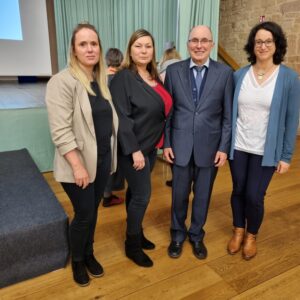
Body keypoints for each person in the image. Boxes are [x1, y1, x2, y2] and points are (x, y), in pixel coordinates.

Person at [46, 23, 118, 286]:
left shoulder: (100, 81)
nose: (90, 49)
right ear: (74, 50)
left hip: (100, 161)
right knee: (84, 213)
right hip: (77, 165)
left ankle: (88, 252)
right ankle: (77, 260)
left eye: (94, 44)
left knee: (93, 210)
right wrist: (78, 166)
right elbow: (61, 131)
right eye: (83, 44)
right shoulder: (61, 81)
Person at [227, 21, 300, 260]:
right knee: (238, 190)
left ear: (277, 44)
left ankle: (251, 235)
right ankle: (238, 230)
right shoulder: (239, 75)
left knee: (254, 196)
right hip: (238, 145)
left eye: (268, 41)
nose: (263, 45)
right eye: (258, 41)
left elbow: (291, 120)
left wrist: (286, 156)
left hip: (265, 150)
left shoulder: (289, 78)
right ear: (252, 45)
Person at [163, 25, 233, 260]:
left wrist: (224, 147)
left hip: (210, 149)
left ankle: (196, 235)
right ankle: (177, 236)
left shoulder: (225, 73)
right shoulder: (173, 72)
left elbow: (227, 116)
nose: (199, 45)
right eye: (194, 40)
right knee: (179, 196)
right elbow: (168, 113)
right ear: (187, 44)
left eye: (204, 41)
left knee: (202, 197)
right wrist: (167, 143)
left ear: (212, 44)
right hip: (180, 147)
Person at [110, 29, 172, 267]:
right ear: (130, 50)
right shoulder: (124, 77)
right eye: (138, 46)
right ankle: (132, 244)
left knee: (136, 193)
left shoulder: (153, 76)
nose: (144, 50)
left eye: (148, 46)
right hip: (133, 150)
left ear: (153, 50)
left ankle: (137, 232)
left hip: (150, 148)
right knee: (142, 196)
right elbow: (121, 116)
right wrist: (134, 150)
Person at [102, 48, 125, 207]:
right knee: (114, 161)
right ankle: (107, 195)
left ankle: (106, 192)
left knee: (107, 160)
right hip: (117, 125)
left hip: (103, 125)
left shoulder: (99, 77)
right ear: (121, 60)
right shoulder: (122, 79)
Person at [157, 42, 181, 187]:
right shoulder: (183, 67)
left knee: (170, 147)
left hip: (168, 114)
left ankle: (175, 178)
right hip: (182, 115)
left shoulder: (161, 70)